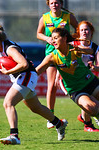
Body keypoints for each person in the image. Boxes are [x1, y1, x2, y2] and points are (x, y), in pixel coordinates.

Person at [0, 23, 68, 145]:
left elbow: (24, 64)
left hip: (26, 75)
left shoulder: (10, 49)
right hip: (20, 77)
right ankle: (60, 123)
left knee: (8, 103)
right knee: (35, 107)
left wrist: (8, 71)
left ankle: (14, 135)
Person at [36, 28, 99, 133]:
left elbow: (92, 50)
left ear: (65, 38)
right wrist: (23, 72)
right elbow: (37, 71)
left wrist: (81, 50)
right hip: (76, 90)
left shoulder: (73, 49)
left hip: (90, 82)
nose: (53, 41)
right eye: (52, 39)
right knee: (92, 108)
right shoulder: (52, 57)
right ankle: (89, 120)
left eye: (56, 38)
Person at [36, 0, 78, 129]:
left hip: (66, 55)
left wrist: (70, 40)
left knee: (76, 83)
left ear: (61, 4)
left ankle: (88, 114)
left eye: (57, 2)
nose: (55, 5)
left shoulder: (68, 16)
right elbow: (38, 33)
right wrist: (47, 38)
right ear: (48, 4)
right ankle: (51, 117)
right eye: (52, 3)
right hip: (52, 56)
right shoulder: (45, 17)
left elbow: (78, 30)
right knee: (52, 86)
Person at [70, 21, 99, 131]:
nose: (84, 32)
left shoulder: (95, 48)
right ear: (78, 32)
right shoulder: (73, 45)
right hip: (74, 80)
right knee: (89, 100)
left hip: (88, 78)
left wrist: (94, 67)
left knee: (91, 98)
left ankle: (85, 119)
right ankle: (88, 123)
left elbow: (98, 67)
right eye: (82, 30)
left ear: (91, 32)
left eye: (86, 30)